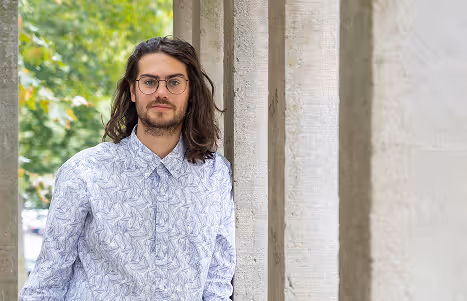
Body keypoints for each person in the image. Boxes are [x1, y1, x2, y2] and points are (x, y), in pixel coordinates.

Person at [20, 36, 236, 301]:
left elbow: (216, 285)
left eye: (174, 82)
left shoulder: (216, 175)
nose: (161, 92)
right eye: (149, 82)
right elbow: (46, 284)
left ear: (190, 93)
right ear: (133, 91)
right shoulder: (84, 172)